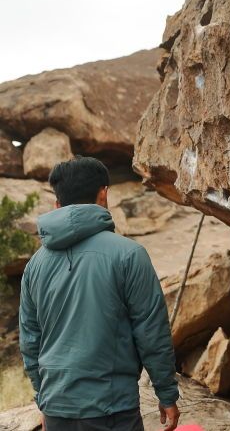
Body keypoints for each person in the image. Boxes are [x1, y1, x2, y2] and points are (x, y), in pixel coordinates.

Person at [18, 156, 180, 430]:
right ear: (103, 194)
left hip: (57, 410)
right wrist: (166, 394)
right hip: (112, 409)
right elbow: (152, 333)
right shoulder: (129, 255)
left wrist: (43, 399)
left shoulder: (35, 265)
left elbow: (29, 341)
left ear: (57, 204)